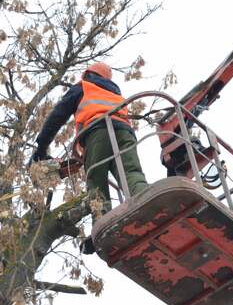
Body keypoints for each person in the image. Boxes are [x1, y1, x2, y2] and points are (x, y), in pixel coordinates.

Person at [31, 62, 148, 253]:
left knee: (97, 181)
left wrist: (41, 146)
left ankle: (102, 227)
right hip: (124, 132)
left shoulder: (83, 87)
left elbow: (57, 115)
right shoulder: (116, 94)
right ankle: (146, 202)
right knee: (131, 173)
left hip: (97, 131)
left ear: (87, 74)